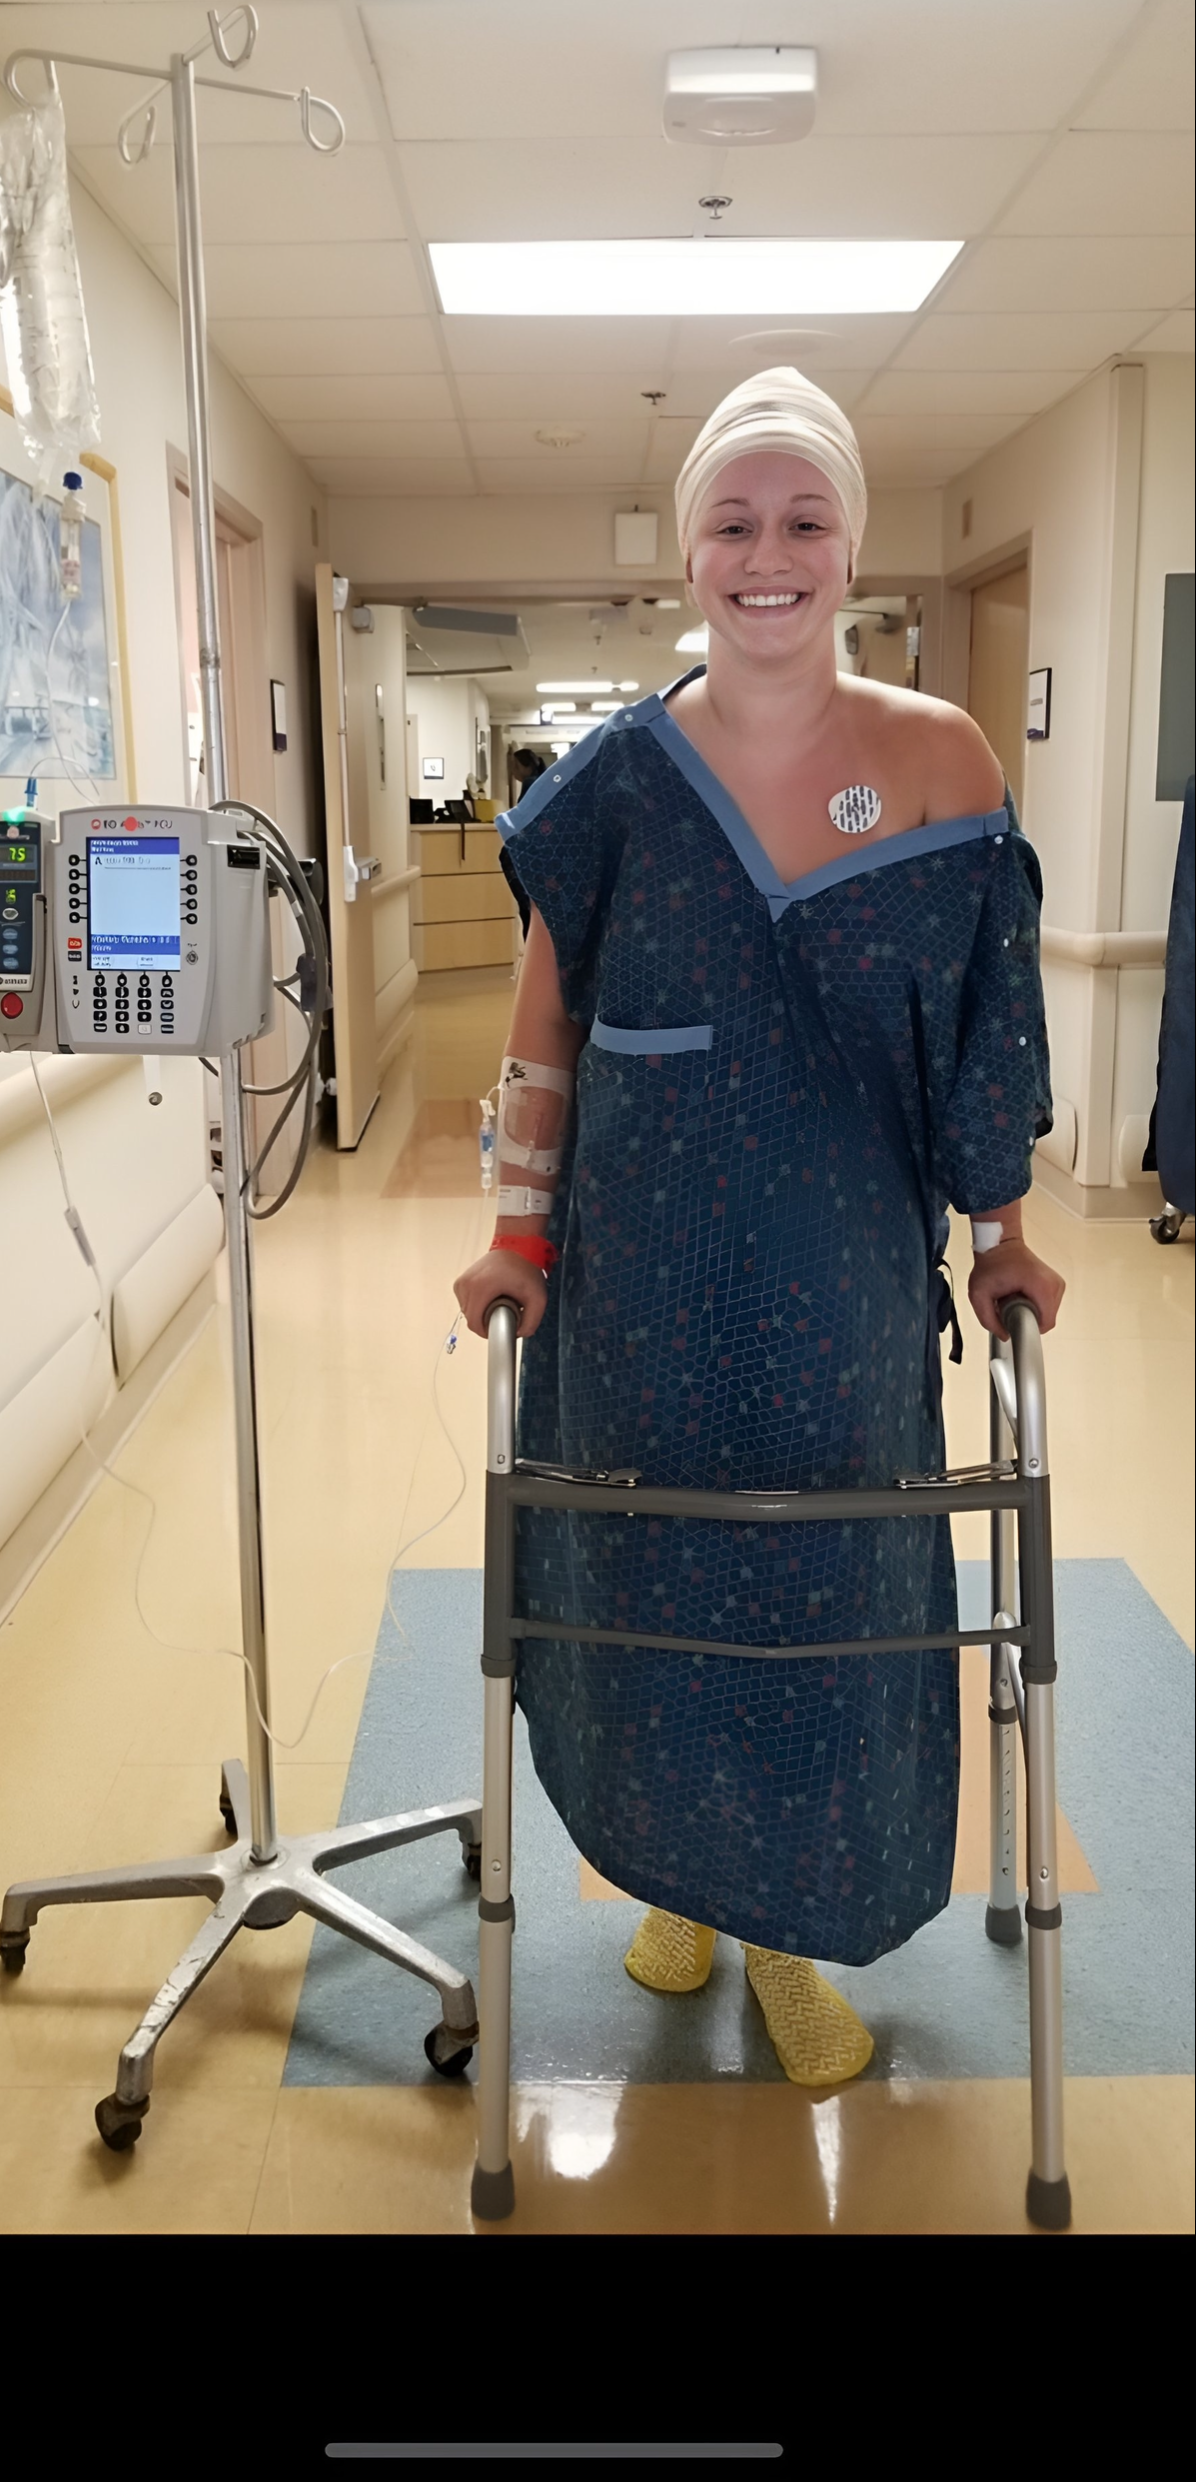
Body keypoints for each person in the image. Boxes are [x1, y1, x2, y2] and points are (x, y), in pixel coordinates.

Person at [454, 369, 1063, 2089]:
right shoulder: (612, 786)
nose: (766, 552)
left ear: (850, 547)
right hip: (639, 1299)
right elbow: (543, 1032)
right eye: (732, 521)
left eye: (802, 519)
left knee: (820, 1611)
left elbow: (983, 1041)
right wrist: (517, 1237)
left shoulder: (939, 765)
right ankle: (677, 1886)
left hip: (844, 1304)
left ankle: (787, 1934)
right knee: (649, 1597)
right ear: (687, 554)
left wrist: (1001, 1234)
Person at [498, 748, 547, 938]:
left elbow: (522, 817)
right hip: (540, 851)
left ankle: (530, 949)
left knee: (527, 909)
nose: (512, 771)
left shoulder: (530, 783)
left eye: (515, 766)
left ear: (526, 767)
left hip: (526, 851)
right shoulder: (543, 781)